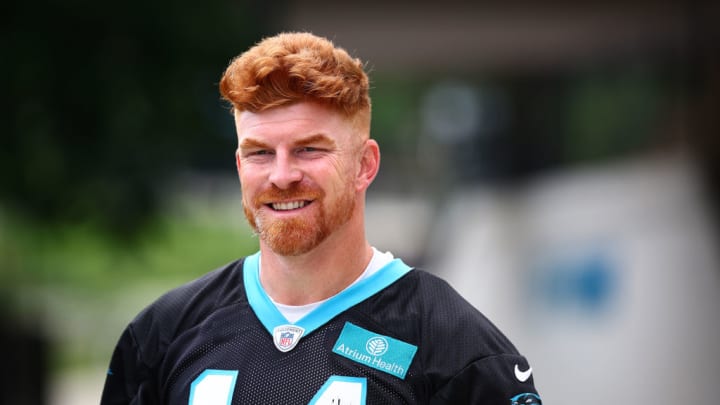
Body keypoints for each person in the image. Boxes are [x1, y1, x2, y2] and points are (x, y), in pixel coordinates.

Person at [100, 32, 541, 404]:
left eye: (309, 149)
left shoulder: (455, 348)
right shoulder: (161, 336)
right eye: (260, 153)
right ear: (239, 167)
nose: (282, 175)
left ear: (364, 165)